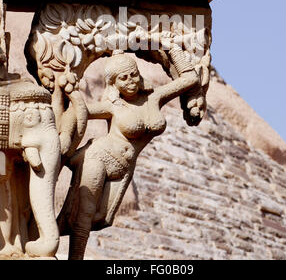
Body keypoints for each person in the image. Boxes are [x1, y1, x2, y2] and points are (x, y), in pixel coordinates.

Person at [58, 46, 199, 260]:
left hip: (124, 168)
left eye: (134, 75)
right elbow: (79, 112)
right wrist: (69, 99)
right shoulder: (112, 106)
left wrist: (173, 51)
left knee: (101, 218)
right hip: (99, 157)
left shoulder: (154, 98)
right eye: (123, 78)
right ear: (113, 84)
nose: (131, 81)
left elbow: (190, 79)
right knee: (84, 215)